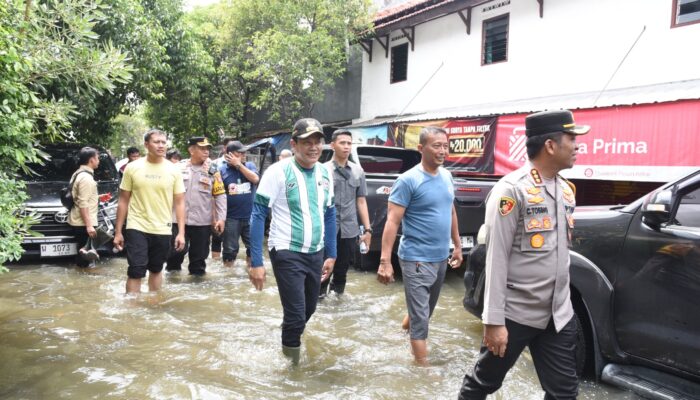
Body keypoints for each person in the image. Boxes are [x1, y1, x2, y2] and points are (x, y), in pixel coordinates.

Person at [458, 110, 589, 400]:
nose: (577, 145)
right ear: (550, 146)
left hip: (558, 315)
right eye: (571, 138)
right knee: (483, 384)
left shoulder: (566, 190)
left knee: (564, 393)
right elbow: (496, 258)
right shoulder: (511, 190)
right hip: (515, 314)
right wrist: (493, 322)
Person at [249, 117, 336, 364]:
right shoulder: (277, 172)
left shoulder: (325, 173)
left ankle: (289, 333)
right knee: (297, 316)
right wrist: (256, 262)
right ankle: (291, 371)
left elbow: (330, 212)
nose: (314, 147)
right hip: (286, 250)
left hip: (316, 252)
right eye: (307, 142)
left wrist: (331, 253)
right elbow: (257, 215)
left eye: (318, 141)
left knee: (309, 309)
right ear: (294, 144)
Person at [377, 126, 463, 365]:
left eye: (445, 146)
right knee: (422, 318)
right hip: (416, 258)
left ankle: (400, 332)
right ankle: (422, 369)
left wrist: (457, 246)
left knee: (425, 311)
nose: (442, 151)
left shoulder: (446, 176)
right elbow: (392, 221)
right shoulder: (408, 180)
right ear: (421, 148)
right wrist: (385, 261)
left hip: (439, 257)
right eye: (437, 146)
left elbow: (451, 210)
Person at [113, 129, 186, 294]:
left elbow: (180, 203)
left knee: (156, 269)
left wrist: (181, 233)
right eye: (156, 142)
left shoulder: (174, 170)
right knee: (136, 270)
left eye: (163, 142)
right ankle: (132, 309)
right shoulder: (132, 168)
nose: (161, 146)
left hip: (162, 228)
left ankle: (154, 306)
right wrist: (118, 232)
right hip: (136, 226)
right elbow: (123, 200)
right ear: (146, 145)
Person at [165, 137, 226, 276]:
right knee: (174, 255)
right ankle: (172, 287)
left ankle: (196, 290)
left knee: (198, 261)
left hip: (202, 223)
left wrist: (221, 218)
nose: (206, 152)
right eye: (202, 148)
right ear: (191, 150)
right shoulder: (177, 168)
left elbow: (220, 195)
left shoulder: (213, 170)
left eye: (207, 149)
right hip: (177, 221)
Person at [321, 129, 371, 297]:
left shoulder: (358, 171)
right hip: (326, 228)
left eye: (349, 143)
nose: (346, 147)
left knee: (342, 271)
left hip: (349, 229)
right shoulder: (322, 170)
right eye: (342, 143)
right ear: (332, 145)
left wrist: (368, 230)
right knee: (322, 270)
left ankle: (337, 306)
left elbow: (361, 201)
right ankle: (318, 304)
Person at [220, 141, 259, 269]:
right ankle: (228, 276)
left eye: (244, 152)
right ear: (229, 155)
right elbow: (215, 196)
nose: (244, 154)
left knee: (253, 248)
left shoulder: (250, 166)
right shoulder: (221, 171)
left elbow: (255, 179)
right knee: (229, 251)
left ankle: (251, 272)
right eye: (240, 152)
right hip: (231, 218)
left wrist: (239, 166)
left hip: (250, 216)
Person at [67, 147, 100, 268]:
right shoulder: (86, 178)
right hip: (83, 223)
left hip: (79, 220)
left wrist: (98, 197)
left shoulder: (78, 173)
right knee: (85, 257)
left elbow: (79, 196)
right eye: (97, 158)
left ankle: (81, 278)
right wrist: (89, 225)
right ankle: (83, 280)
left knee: (84, 255)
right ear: (91, 160)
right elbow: (83, 203)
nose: (98, 161)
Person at [211, 137, 237, 260]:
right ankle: (215, 263)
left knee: (231, 242)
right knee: (217, 236)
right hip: (218, 207)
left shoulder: (242, 164)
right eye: (230, 147)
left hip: (234, 211)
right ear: (224, 148)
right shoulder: (214, 164)